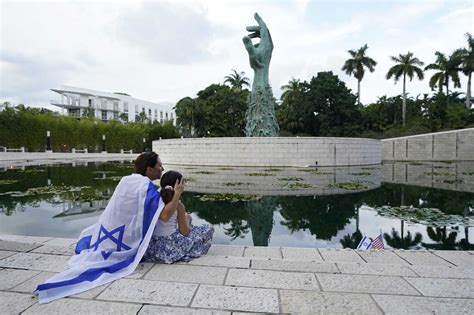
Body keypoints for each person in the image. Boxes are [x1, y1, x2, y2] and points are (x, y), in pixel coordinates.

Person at [36, 152, 182, 303]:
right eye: (159, 165)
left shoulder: (126, 180)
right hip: (125, 239)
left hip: (110, 233)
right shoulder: (146, 187)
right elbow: (164, 216)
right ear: (149, 169)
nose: (162, 169)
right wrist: (177, 194)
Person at [143, 170, 214, 263]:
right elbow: (184, 232)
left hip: (152, 245)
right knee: (208, 228)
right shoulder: (178, 204)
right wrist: (187, 219)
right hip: (169, 246)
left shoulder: (154, 197)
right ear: (178, 185)